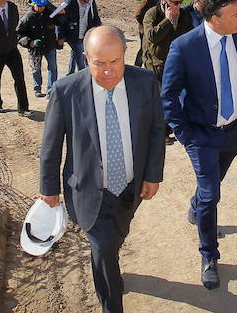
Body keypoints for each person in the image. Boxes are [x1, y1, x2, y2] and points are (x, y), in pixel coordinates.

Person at [39, 26, 165, 313]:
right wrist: (48, 189)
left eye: (115, 62)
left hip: (130, 189)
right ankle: (111, 304)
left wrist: (152, 175)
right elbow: (51, 144)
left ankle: (109, 263)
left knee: (115, 239)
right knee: (104, 249)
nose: (109, 71)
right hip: (88, 191)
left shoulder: (145, 81)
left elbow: (157, 129)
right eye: (99, 63)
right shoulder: (66, 91)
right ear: (85, 58)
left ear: (124, 55)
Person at [162, 0, 237, 290]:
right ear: (214, 17)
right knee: (211, 195)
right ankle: (209, 255)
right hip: (200, 135)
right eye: (236, 13)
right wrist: (185, 135)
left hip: (232, 132)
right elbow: (169, 95)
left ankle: (196, 204)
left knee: (209, 188)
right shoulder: (184, 46)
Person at [142, 0, 194, 144]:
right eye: (175, 3)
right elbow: (152, 36)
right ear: (165, 2)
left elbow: (189, 35)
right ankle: (160, 133)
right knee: (161, 99)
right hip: (156, 64)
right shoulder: (152, 13)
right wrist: (167, 20)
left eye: (180, 2)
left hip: (175, 63)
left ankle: (171, 128)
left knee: (174, 96)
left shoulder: (183, 14)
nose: (178, 6)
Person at [17, 0, 63, 98]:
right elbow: (19, 35)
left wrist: (60, 36)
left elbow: (61, 24)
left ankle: (51, 90)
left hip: (49, 45)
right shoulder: (27, 18)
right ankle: (37, 88)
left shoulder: (50, 14)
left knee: (53, 68)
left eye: (43, 5)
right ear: (33, 4)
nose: (42, 8)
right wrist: (30, 42)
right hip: (35, 48)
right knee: (36, 68)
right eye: (39, 5)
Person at [56, 0, 102, 75]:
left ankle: (70, 74)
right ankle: (85, 78)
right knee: (81, 60)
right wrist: (60, 36)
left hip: (85, 33)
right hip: (73, 33)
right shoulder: (70, 1)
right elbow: (58, 18)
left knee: (76, 54)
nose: (89, 0)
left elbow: (95, 16)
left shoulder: (91, 1)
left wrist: (98, 29)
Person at [134, 0, 168, 66]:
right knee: (143, 49)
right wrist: (147, 25)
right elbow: (138, 15)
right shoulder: (148, 0)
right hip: (145, 30)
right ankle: (137, 66)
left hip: (153, 30)